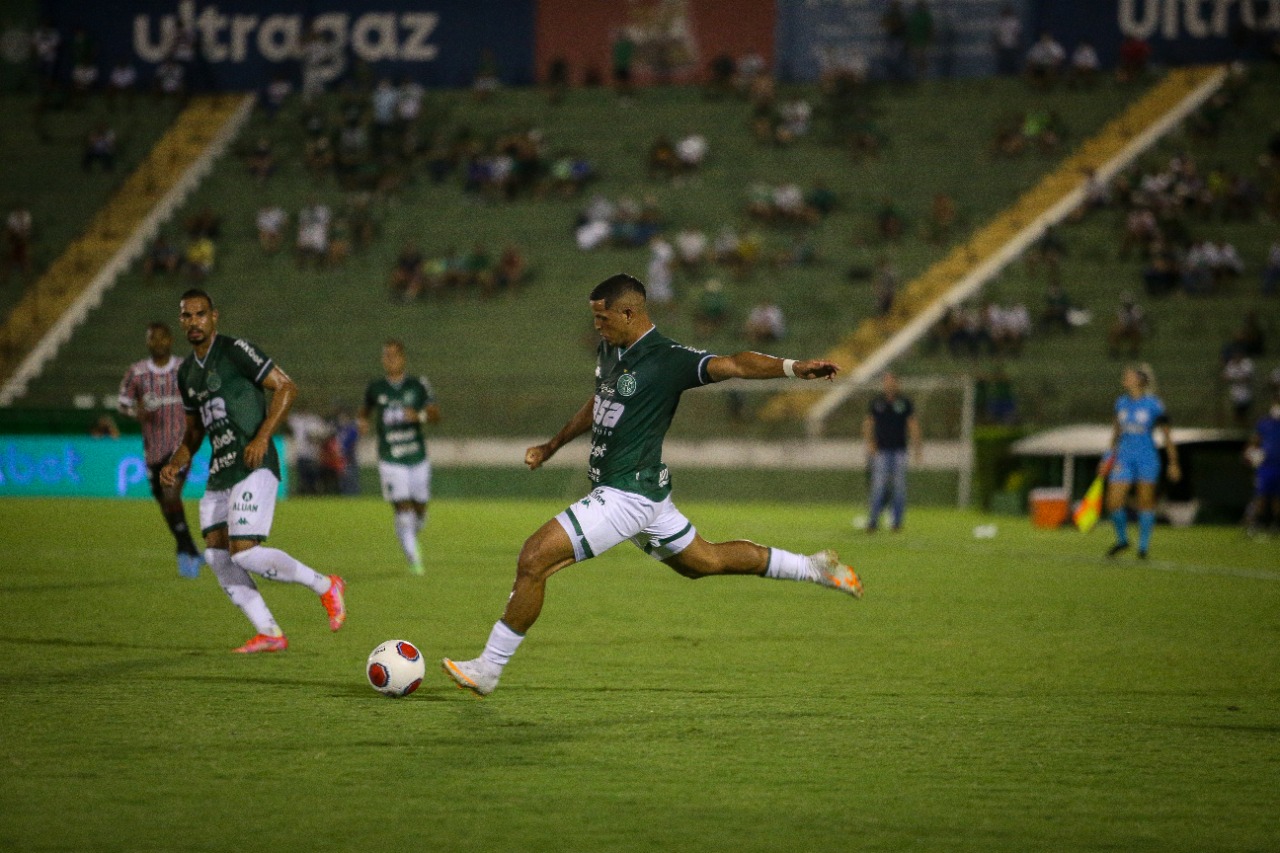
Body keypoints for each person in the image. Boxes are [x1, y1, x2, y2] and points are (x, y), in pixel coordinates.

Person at [441, 274, 862, 697]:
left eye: (602, 317)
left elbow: (735, 363)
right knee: (706, 562)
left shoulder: (668, 358)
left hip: (628, 495)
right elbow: (601, 401)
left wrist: (792, 368)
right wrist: (553, 445)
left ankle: (488, 669)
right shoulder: (611, 351)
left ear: (629, 313)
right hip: (643, 495)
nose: (597, 326)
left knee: (534, 557)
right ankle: (812, 567)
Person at [159, 289, 346, 653]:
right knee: (216, 554)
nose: (194, 322)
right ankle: (270, 631)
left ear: (215, 316)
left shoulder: (235, 350)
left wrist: (262, 437)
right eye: (186, 316)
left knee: (243, 551)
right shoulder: (185, 374)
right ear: (180, 321)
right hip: (220, 471)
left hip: (252, 463)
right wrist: (177, 460)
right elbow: (194, 432)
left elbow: (286, 387)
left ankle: (326, 585)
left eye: (200, 314)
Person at [118, 322, 204, 578]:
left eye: (161, 337)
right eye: (151, 338)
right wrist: (136, 412)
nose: (157, 342)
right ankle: (187, 547)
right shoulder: (137, 373)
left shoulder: (184, 368)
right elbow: (123, 404)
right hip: (153, 450)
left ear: (170, 340)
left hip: (181, 446)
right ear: (147, 342)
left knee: (170, 492)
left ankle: (187, 549)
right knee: (164, 501)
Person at [359, 340, 440, 576]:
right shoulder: (376, 388)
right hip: (390, 457)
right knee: (403, 508)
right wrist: (362, 422)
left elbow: (435, 414)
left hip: (416, 455)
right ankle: (414, 559)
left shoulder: (418, 385)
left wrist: (420, 416)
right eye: (386, 356)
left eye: (394, 355)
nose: (390, 359)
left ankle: (409, 537)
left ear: (403, 358)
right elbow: (365, 409)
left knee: (420, 510)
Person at [1103, 365, 1181, 559]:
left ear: (1140, 380)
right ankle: (1123, 540)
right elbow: (1116, 433)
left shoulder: (1154, 405)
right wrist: (1108, 458)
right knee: (1113, 501)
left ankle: (1143, 547)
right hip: (1123, 457)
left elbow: (1167, 437)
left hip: (1147, 458)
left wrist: (1173, 463)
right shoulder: (1120, 403)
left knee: (1145, 502)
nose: (1124, 378)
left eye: (1128, 376)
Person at [863, 372, 923, 533]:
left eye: (892, 381)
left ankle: (897, 522)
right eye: (886, 381)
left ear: (897, 383)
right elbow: (869, 423)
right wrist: (869, 443)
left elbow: (913, 424)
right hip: (881, 451)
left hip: (899, 451)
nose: (889, 384)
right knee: (878, 487)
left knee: (899, 488)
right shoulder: (877, 402)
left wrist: (917, 448)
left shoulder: (904, 402)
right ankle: (873, 521)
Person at [1244, 396, 1280, 536]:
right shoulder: (1264, 423)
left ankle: (1276, 524)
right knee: (1261, 496)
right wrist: (1249, 453)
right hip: (1265, 466)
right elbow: (1255, 440)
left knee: (1278, 498)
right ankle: (1257, 523)